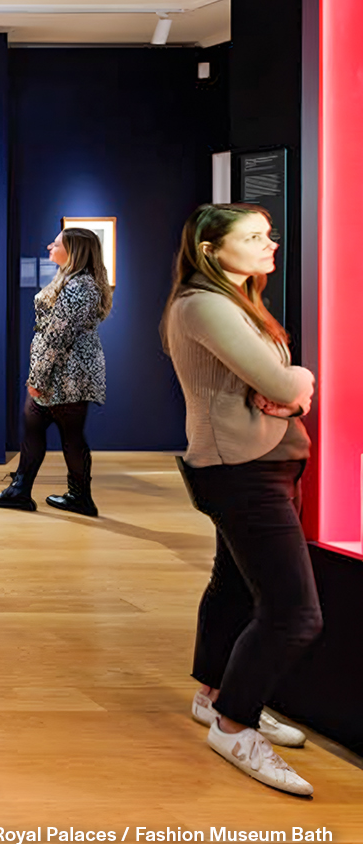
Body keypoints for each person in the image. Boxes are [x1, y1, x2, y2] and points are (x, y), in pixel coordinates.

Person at [164, 203, 320, 797]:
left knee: (233, 586)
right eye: (252, 237)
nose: (269, 244)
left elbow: (272, 388)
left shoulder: (235, 301)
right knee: (294, 613)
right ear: (210, 248)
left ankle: (215, 695)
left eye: (268, 234)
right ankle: (235, 725)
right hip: (242, 471)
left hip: (262, 464)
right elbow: (284, 383)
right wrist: (299, 386)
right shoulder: (203, 305)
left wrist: (282, 394)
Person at [0, 227, 111, 515]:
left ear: (74, 251)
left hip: (65, 376)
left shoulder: (79, 287)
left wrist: (38, 378)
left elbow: (56, 337)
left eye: (55, 244)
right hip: (65, 373)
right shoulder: (75, 282)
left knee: (65, 433)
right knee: (41, 428)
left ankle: (73, 496)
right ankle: (26, 490)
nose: (49, 247)